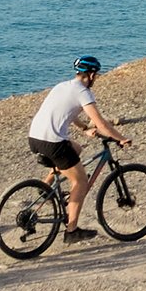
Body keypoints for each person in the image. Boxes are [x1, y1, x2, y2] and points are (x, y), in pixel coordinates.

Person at [28, 55, 127, 242]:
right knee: (81, 182)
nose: (95, 78)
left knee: (76, 148)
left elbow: (68, 112)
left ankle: (46, 186)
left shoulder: (62, 86)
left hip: (34, 138)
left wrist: (84, 129)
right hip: (53, 143)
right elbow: (101, 123)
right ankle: (72, 231)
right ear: (90, 74)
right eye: (95, 75)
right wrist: (121, 139)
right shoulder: (83, 92)